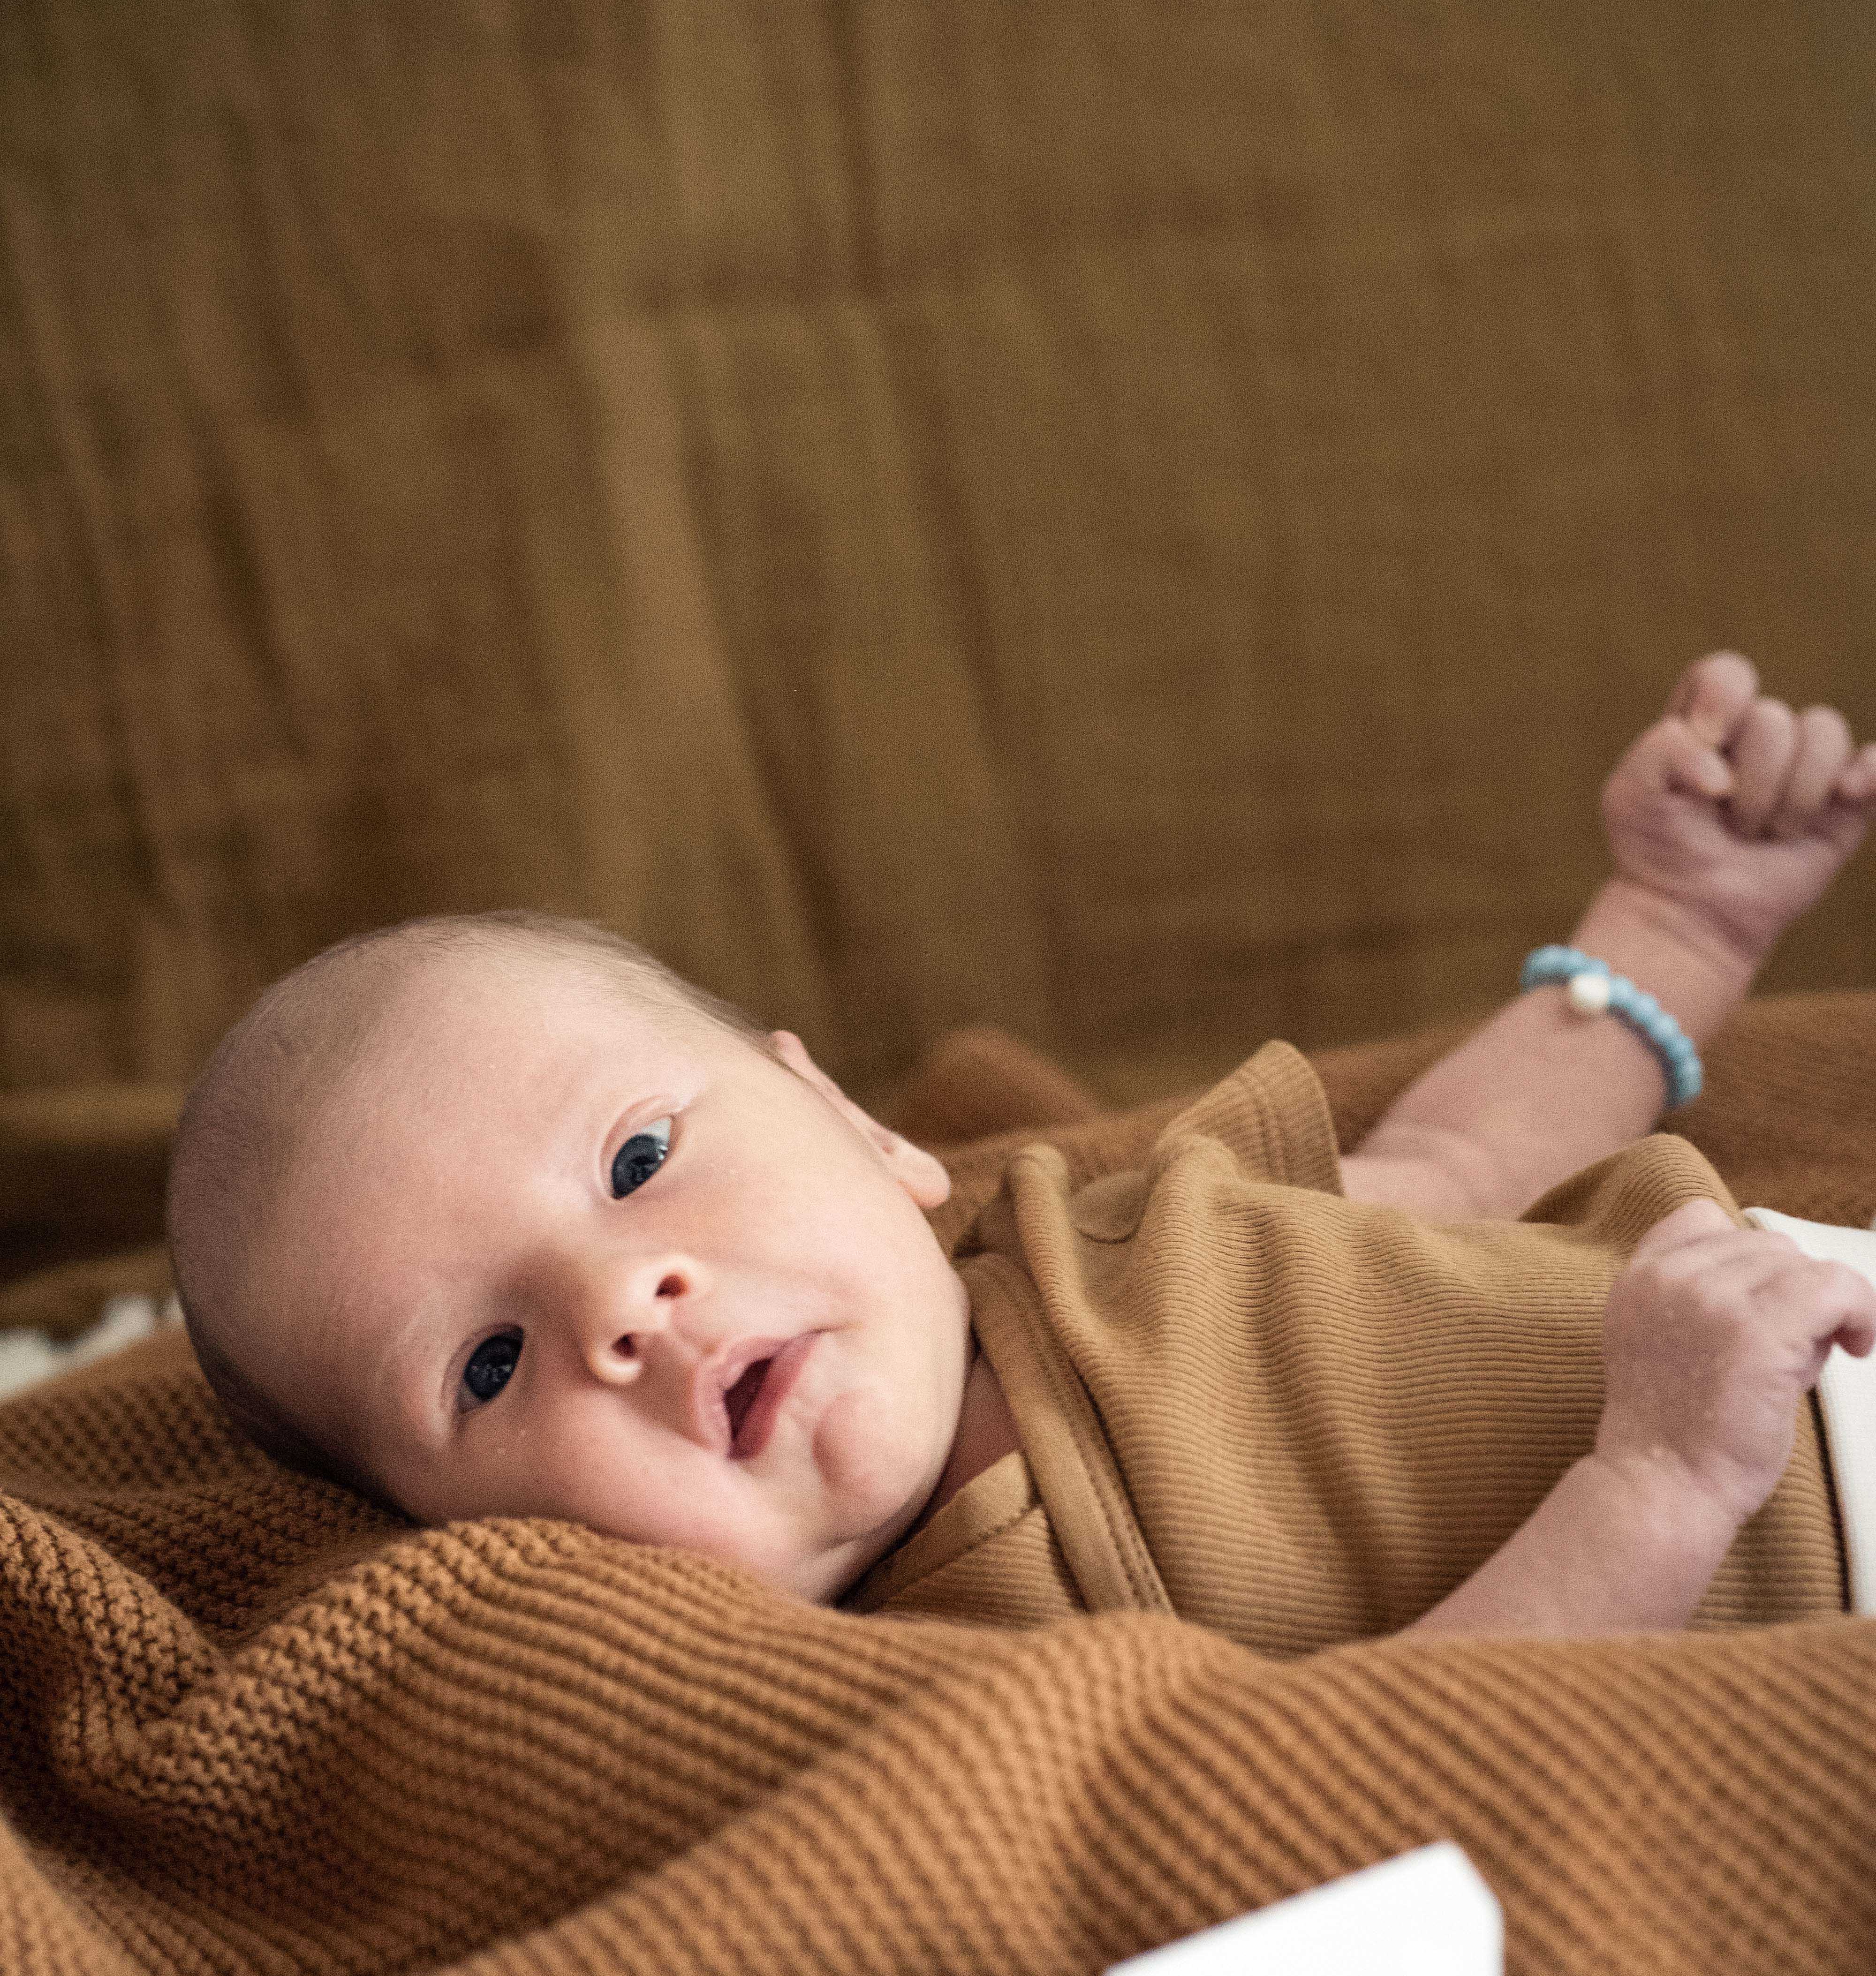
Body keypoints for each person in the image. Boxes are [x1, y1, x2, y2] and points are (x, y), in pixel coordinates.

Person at [166, 653, 1876, 1649]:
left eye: (631, 1165)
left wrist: (1678, 921)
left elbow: (1451, 1157)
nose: (627, 1298)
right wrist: (1656, 1486)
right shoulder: (971, 1659)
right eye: (486, 1363)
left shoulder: (1109, 1235)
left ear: (859, 1126)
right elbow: (1368, 1779)